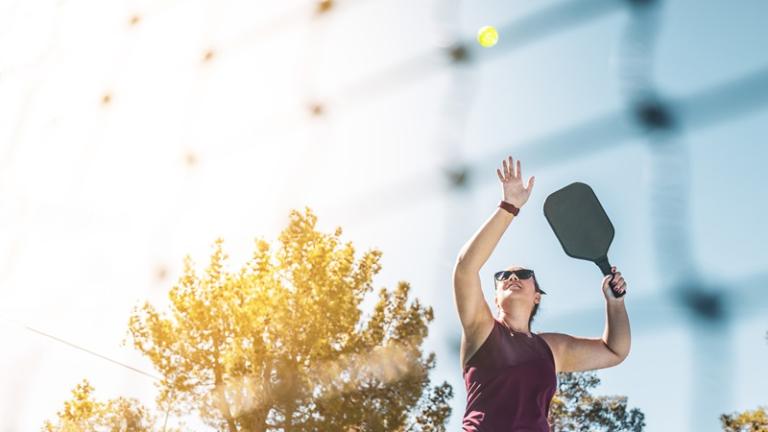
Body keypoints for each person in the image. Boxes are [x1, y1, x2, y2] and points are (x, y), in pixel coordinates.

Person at [453, 156, 631, 431]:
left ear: (537, 295)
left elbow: (615, 350)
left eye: (523, 274)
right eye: (502, 277)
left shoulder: (551, 349)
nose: (512, 277)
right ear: (496, 296)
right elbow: (466, 269)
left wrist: (615, 303)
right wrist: (508, 206)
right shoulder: (482, 330)